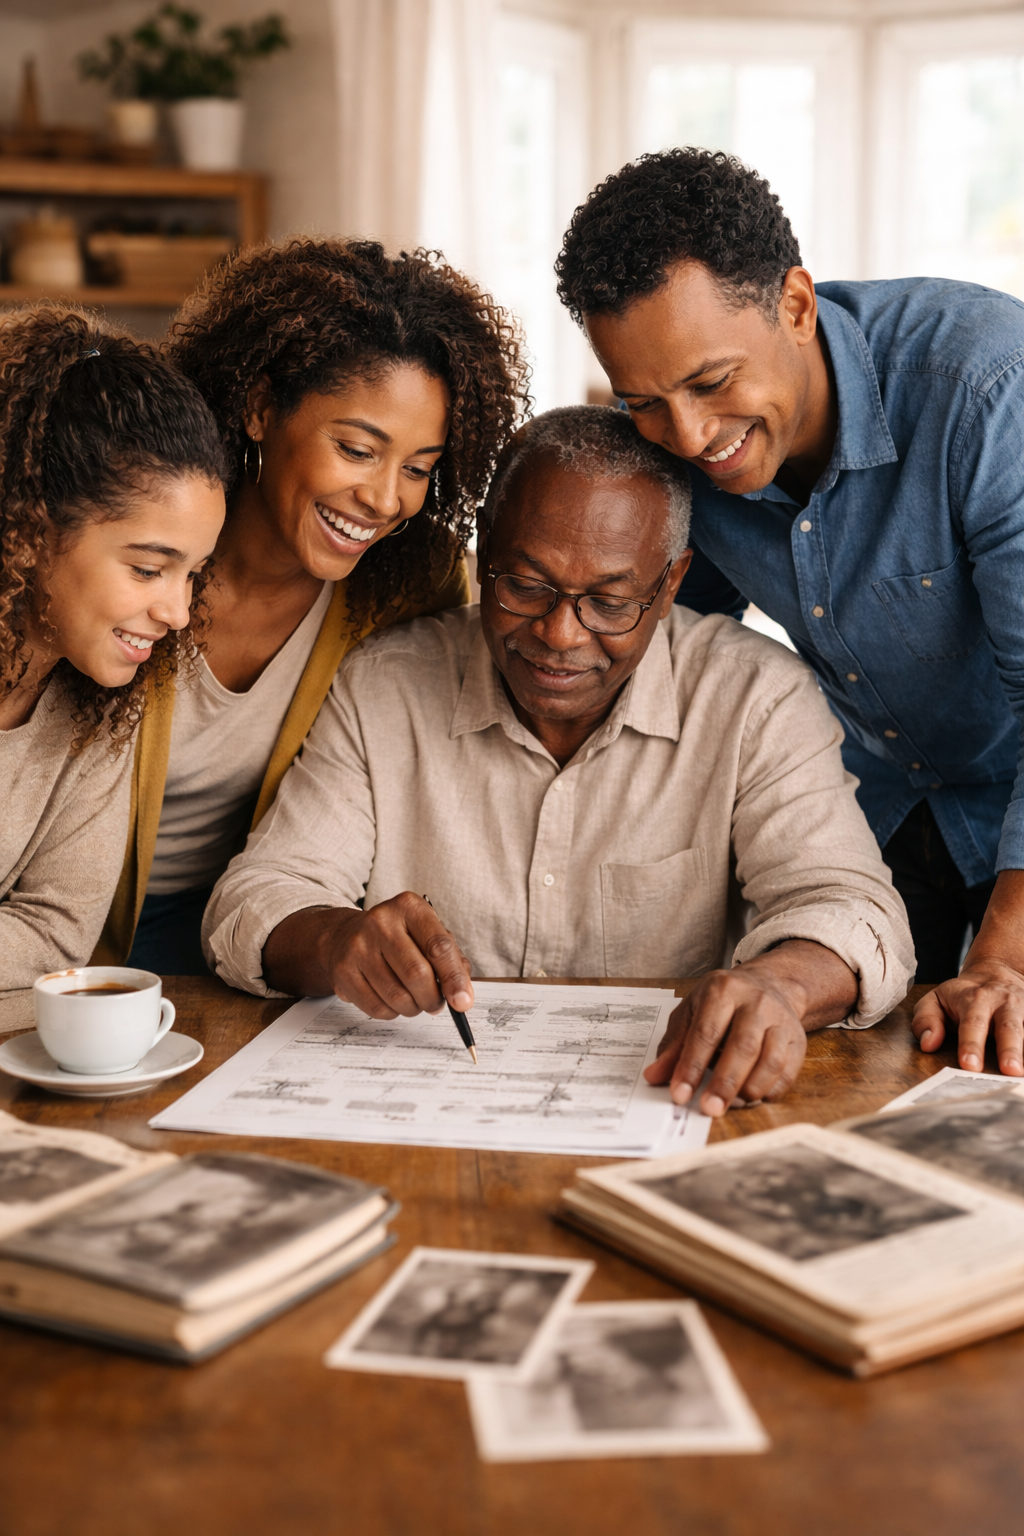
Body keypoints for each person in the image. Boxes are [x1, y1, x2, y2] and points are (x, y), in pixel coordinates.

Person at [202, 407, 913, 1119]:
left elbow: (853, 909)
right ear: (484, 558)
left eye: (609, 602)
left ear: (669, 586)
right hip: (421, 1116)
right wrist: (333, 940)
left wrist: (782, 986)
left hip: (659, 1113)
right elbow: (256, 898)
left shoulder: (754, 698)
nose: (560, 636)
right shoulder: (386, 683)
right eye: (526, 587)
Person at [554, 147, 1024, 1079]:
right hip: (891, 811)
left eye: (711, 382)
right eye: (644, 402)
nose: (688, 438)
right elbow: (658, 640)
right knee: (884, 1097)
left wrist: (1006, 958)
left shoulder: (986, 390)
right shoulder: (686, 453)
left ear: (797, 306)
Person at [92, 238, 528, 975]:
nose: (387, 498)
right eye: (358, 449)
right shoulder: (139, 539)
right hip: (66, 929)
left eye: (419, 468)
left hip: (246, 940)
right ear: (261, 408)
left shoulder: (410, 585)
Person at [0, 305, 226, 995]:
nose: (178, 613)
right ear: (31, 531)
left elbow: (54, 932)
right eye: (147, 568)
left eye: (192, 574)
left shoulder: (100, 706)